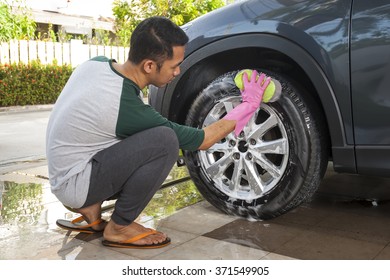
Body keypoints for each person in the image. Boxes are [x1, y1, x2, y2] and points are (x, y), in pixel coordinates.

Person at [46, 16, 271, 249]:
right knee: (165, 141)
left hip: (66, 176)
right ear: (149, 66)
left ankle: (90, 209)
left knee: (145, 138)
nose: (177, 72)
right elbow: (202, 140)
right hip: (76, 183)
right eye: (174, 66)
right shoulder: (125, 108)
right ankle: (120, 226)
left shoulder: (97, 64)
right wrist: (247, 106)